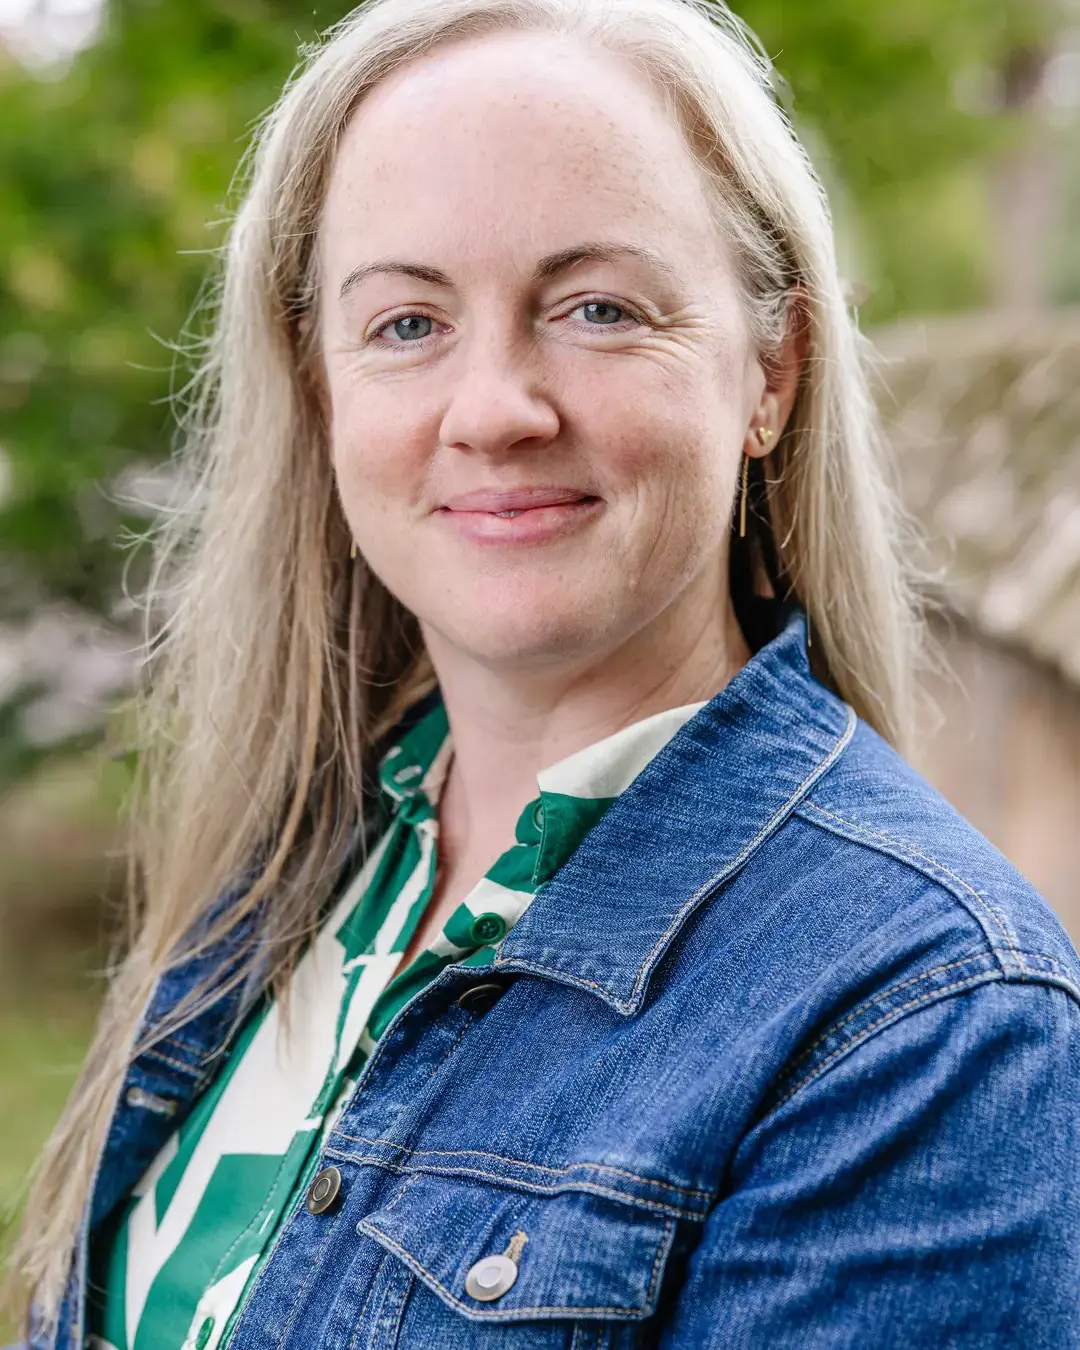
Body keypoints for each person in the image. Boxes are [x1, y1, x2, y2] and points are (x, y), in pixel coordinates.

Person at [9, 0, 1080, 1345]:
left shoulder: (923, 1022)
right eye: (408, 323)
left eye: (597, 308)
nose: (496, 408)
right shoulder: (294, 861)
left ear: (771, 373)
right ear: (321, 388)